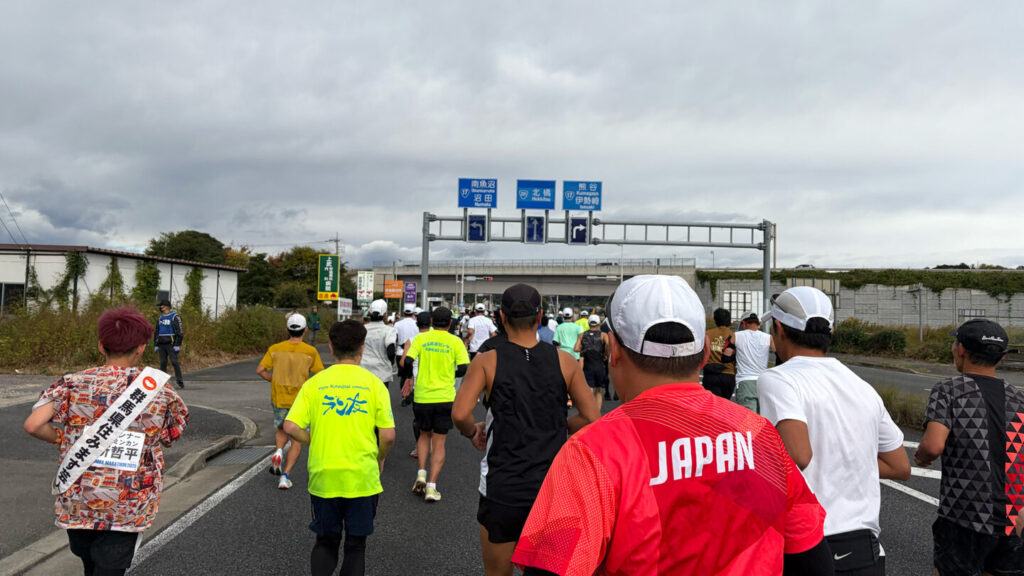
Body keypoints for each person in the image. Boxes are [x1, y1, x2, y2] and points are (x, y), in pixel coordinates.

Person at [511, 275, 833, 575]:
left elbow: (552, 566)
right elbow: (812, 559)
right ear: (705, 352)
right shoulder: (760, 434)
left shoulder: (592, 450)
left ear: (615, 350)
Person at [23, 307, 189, 576]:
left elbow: (33, 424)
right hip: (128, 500)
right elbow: (172, 434)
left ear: (102, 346)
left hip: (79, 495)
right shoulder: (158, 390)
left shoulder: (73, 383)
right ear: (141, 348)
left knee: (89, 562)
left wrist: (65, 439)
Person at [758, 286, 910, 575]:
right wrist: (843, 460)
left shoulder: (778, 380)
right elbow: (900, 466)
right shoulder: (861, 386)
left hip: (809, 545)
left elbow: (799, 456)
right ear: (830, 332)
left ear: (778, 329)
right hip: (867, 549)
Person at [454, 284, 599, 576]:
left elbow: (460, 414)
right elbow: (591, 416)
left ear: (501, 317)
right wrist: (559, 427)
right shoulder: (565, 361)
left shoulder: (486, 360)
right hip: (553, 486)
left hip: (503, 485)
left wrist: (473, 432)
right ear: (541, 316)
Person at [283, 319, 395, 576]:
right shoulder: (374, 384)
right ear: (362, 348)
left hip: (324, 473)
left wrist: (312, 439)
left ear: (331, 349)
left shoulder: (315, 384)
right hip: (362, 476)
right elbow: (388, 435)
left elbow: (290, 427)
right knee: (356, 545)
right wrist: (380, 457)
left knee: (326, 540)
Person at [913, 318, 1024, 574]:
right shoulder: (1019, 398)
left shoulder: (948, 391)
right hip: (1012, 519)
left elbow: (933, 446)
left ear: (960, 349)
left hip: (965, 515)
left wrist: (921, 457)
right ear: (1003, 357)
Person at [404, 306, 470, 502]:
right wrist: (451, 375)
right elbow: (464, 367)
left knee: (424, 435)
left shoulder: (421, 339)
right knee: (439, 441)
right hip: (445, 397)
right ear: (450, 323)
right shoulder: (455, 341)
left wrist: (410, 377)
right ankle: (432, 487)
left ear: (432, 321)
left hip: (422, 397)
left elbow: (407, 361)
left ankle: (421, 475)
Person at [257, 313, 325, 489]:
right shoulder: (310, 351)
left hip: (279, 396)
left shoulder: (275, 348)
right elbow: (320, 375)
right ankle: (285, 476)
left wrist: (273, 380)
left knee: (281, 428)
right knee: (296, 439)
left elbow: (260, 370)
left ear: (287, 330)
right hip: (300, 399)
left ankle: (279, 451)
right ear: (305, 330)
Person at [400, 310, 434, 458]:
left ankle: (419, 446)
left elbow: (403, 362)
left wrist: (409, 377)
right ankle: (433, 443)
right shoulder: (438, 340)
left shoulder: (412, 340)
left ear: (417, 323)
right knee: (434, 415)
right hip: (436, 382)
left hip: (418, 381)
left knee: (418, 417)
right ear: (431, 323)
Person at [733, 311, 774, 413]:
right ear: (758, 324)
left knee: (748, 421)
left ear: (744, 323)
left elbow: (726, 353)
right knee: (763, 420)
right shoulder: (768, 337)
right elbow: (779, 352)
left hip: (745, 381)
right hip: (763, 382)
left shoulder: (737, 335)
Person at [575, 313, 609, 411]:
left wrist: (585, 349)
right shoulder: (603, 335)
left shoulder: (582, 335)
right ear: (599, 324)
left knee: (589, 390)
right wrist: (605, 354)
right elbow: (608, 345)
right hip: (599, 364)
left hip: (587, 365)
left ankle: (589, 411)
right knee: (598, 391)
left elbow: (576, 348)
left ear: (589, 323)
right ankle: (597, 413)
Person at [360, 299, 398, 389]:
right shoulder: (389, 330)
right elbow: (391, 351)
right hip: (382, 373)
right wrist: (392, 362)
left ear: (369, 313)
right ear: (385, 314)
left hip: (364, 371)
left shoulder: (362, 329)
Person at [702, 308, 735, 399]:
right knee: (725, 405)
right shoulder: (733, 335)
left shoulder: (707, 334)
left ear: (715, 320)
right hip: (728, 373)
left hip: (711, 374)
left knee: (712, 405)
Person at [154, 299, 185, 389]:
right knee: (163, 363)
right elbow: (156, 331)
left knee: (174, 362)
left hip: (171, 344)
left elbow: (180, 331)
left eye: (162, 306)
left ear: (166, 306)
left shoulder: (175, 316)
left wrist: (177, 344)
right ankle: (162, 383)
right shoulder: (160, 318)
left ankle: (180, 380)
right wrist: (156, 344)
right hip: (161, 344)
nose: (160, 308)